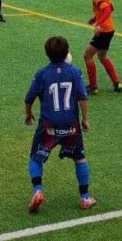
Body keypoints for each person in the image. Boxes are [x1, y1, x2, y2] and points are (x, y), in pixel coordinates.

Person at [25, 36, 96, 213]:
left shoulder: (42, 74)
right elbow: (82, 97)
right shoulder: (75, 72)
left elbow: (29, 98)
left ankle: (38, 191)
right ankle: (85, 197)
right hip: (70, 124)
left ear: (47, 53)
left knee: (36, 158)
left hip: (48, 124)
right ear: (66, 53)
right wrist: (85, 119)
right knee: (79, 158)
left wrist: (28, 114)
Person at [78, 0, 122, 94]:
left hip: (104, 31)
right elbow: (111, 7)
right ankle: (117, 83)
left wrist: (98, 23)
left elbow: (107, 10)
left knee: (87, 55)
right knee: (102, 57)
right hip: (110, 30)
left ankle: (93, 87)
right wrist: (95, 18)